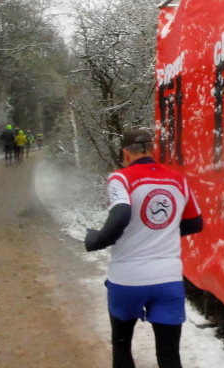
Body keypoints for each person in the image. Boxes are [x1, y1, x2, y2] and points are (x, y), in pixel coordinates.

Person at [85, 129, 203, 368]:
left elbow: (121, 215)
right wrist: (161, 232)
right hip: (168, 280)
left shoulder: (121, 178)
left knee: (122, 346)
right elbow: (195, 223)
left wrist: (96, 239)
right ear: (152, 150)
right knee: (170, 356)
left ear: (126, 153)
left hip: (127, 280)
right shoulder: (178, 179)